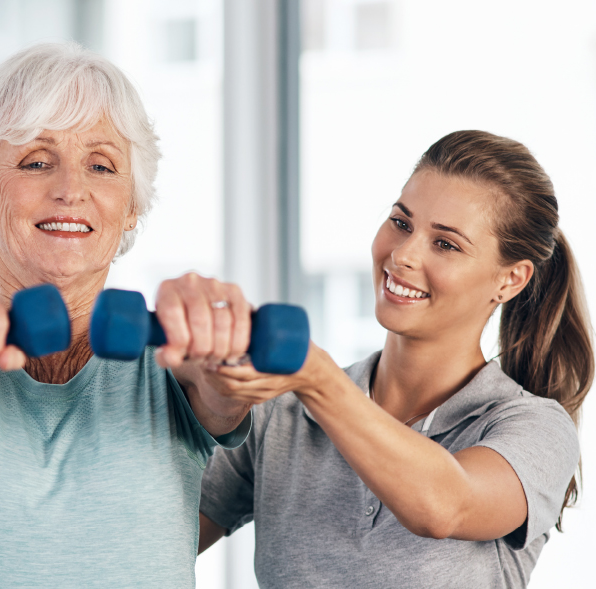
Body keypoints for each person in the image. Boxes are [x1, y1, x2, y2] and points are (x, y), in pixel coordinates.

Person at [0, 43, 254, 588]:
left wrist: (225, 339)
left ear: (131, 206)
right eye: (36, 162)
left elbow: (227, 392)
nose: (70, 190)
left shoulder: (176, 356)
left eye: (101, 165)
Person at [197, 130, 594, 588]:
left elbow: (445, 506)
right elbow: (149, 542)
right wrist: (200, 398)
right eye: (401, 223)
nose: (402, 255)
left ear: (510, 279)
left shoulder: (533, 428)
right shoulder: (283, 415)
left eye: (445, 244)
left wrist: (318, 381)